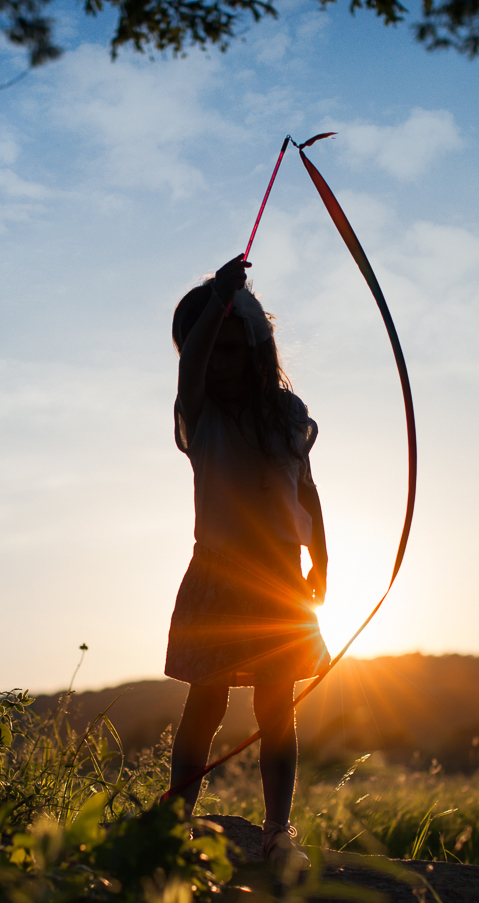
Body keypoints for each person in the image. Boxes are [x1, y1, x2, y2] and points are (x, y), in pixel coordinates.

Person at [163, 255, 329, 869]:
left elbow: (304, 489)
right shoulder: (200, 419)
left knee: (275, 706)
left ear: (259, 351)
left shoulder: (286, 416)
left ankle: (277, 832)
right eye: (213, 351)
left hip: (281, 580)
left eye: (238, 349)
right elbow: (192, 367)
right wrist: (217, 301)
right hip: (220, 576)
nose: (223, 362)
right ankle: (174, 828)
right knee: (204, 704)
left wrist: (322, 557)